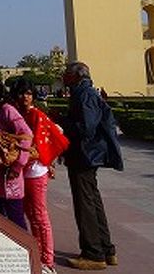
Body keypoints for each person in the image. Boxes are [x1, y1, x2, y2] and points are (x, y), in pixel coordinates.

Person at [62, 61, 123, 270]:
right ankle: (106, 250)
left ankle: (93, 253)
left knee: (85, 205)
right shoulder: (84, 92)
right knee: (92, 202)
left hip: (84, 156)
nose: (63, 77)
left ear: (76, 76)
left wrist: (62, 123)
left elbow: (86, 128)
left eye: (66, 73)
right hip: (88, 156)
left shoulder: (85, 94)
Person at [12, 79, 60, 274]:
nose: (26, 97)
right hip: (23, 170)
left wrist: (48, 160)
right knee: (30, 214)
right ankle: (37, 253)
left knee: (39, 215)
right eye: (22, 93)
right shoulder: (18, 115)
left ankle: (48, 260)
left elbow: (51, 138)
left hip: (36, 171)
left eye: (29, 93)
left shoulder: (37, 115)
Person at [0, 76, 33, 230]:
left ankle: (24, 252)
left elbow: (27, 135)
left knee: (15, 220)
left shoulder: (7, 110)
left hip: (10, 176)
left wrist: (18, 166)